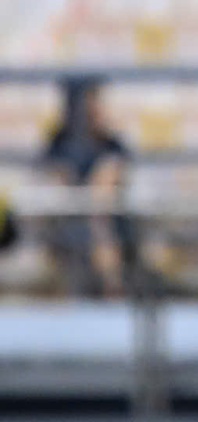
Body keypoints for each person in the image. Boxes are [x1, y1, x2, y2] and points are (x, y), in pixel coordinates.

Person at [39, 75, 133, 298]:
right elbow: (55, 176)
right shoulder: (60, 141)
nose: (95, 106)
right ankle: (65, 294)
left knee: (100, 225)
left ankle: (113, 289)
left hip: (105, 221)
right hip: (68, 219)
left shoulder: (109, 142)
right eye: (90, 100)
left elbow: (116, 173)